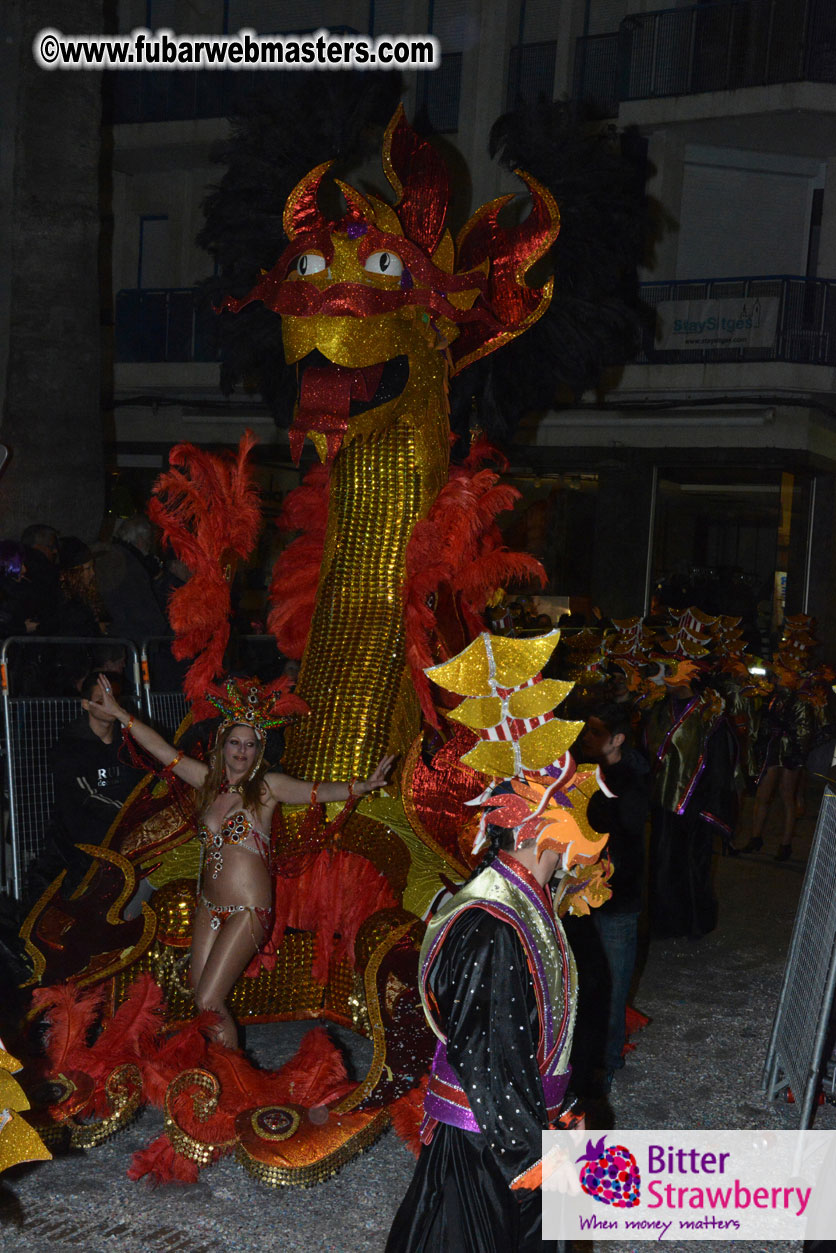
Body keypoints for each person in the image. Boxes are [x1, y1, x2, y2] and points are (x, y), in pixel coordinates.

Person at [91, 673, 393, 1048]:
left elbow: (315, 793)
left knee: (209, 999)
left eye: (250, 745)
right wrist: (121, 714)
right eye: (235, 742)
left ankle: (233, 1085)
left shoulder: (266, 790)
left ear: (259, 750)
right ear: (221, 745)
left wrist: (360, 786)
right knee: (198, 999)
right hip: (210, 905)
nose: (241, 751)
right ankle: (215, 1072)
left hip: (248, 911)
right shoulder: (207, 783)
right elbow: (164, 752)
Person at [576, 702, 650, 1091]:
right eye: (587, 731)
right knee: (587, 977)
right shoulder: (585, 771)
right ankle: (589, 1055)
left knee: (614, 979)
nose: (587, 738)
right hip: (582, 894)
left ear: (618, 739)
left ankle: (606, 1059)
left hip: (616, 895)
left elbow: (622, 834)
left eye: (597, 732)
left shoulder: (631, 782)